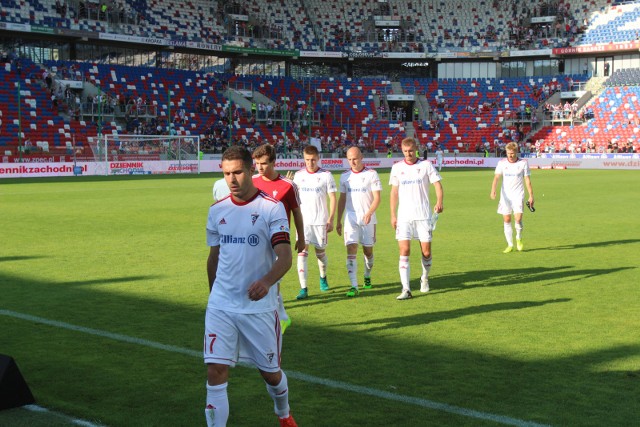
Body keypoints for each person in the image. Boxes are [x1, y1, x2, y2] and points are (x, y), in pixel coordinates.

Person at [204, 146, 297, 427]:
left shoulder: (271, 208)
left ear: (249, 170)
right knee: (216, 371)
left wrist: (267, 281)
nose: (231, 179)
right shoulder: (217, 211)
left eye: (237, 172)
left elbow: (285, 255)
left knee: (271, 374)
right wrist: (214, 298)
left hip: (258, 308)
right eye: (226, 174)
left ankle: (284, 414)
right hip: (221, 306)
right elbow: (214, 256)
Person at [252, 144, 305, 333]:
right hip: (256, 239)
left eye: (264, 163)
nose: (259, 167)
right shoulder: (253, 181)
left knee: (272, 279)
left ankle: (275, 318)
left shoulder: (288, 185)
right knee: (263, 279)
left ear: (274, 162)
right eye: (257, 163)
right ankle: (280, 316)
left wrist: (301, 237)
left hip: (278, 241)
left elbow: (297, 213)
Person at [389, 137, 444, 300]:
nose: (408, 154)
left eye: (411, 151)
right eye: (405, 151)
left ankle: (424, 278)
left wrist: (439, 201)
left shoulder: (425, 165)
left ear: (416, 149)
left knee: (426, 252)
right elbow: (393, 192)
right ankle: (406, 289)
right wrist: (393, 214)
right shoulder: (397, 168)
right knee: (404, 250)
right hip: (404, 216)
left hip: (423, 216)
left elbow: (438, 185)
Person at [292, 144, 337, 299]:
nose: (310, 163)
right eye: (307, 160)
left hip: (320, 222)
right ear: (303, 159)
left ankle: (323, 277)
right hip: (303, 222)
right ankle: (303, 288)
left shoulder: (326, 175)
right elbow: (292, 198)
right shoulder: (298, 176)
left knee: (320, 254)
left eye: (313, 160)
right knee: (302, 253)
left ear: (318, 158)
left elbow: (332, 198)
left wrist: (331, 219)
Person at [336, 146, 382, 297]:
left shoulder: (371, 174)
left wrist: (369, 212)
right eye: (349, 159)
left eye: (355, 158)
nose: (352, 162)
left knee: (368, 251)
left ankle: (367, 275)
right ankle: (354, 285)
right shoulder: (344, 176)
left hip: (368, 217)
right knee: (351, 249)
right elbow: (342, 199)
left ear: (361, 157)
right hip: (350, 217)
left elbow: (377, 198)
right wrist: (338, 220)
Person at [490, 141, 534, 253]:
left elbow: (527, 180)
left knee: (518, 219)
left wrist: (531, 196)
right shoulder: (502, 163)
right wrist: (493, 190)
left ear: (516, 152)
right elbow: (496, 177)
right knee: (507, 219)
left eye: (512, 153)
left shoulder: (523, 163)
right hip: (505, 195)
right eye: (508, 153)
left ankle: (518, 238)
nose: (510, 155)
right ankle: (510, 244)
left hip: (518, 194)